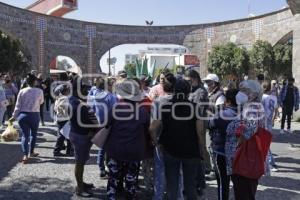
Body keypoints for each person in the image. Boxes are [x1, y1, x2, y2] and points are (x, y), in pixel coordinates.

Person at [150, 79, 205, 200]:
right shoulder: (196, 108)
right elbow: (200, 132)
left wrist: (157, 143)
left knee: (172, 185)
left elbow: (153, 128)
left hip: (170, 149)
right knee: (190, 186)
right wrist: (202, 149)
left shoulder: (165, 107)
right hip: (191, 151)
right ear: (188, 92)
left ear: (174, 90)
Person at [105, 79, 150, 200]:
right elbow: (147, 128)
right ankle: (130, 195)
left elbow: (106, 125)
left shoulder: (115, 109)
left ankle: (111, 196)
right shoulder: (142, 111)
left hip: (116, 149)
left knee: (113, 177)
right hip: (134, 150)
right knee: (131, 177)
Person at [225, 80, 265, 200]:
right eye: (240, 89)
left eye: (243, 90)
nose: (240, 93)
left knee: (244, 193)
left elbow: (249, 129)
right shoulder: (250, 106)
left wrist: (237, 144)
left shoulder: (253, 107)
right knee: (244, 193)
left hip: (244, 160)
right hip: (244, 160)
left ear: (253, 94)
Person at [69, 76, 99, 197]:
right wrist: (94, 128)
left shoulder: (73, 100)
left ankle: (81, 183)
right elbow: (86, 121)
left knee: (81, 161)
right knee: (80, 163)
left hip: (78, 134)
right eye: (83, 90)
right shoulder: (78, 104)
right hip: (81, 135)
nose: (86, 92)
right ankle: (79, 189)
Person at [150, 73, 177, 200]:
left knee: (160, 172)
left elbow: (153, 126)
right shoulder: (184, 101)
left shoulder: (158, 102)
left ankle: (158, 197)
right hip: (178, 142)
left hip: (161, 142)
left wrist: (155, 142)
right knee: (178, 173)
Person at [209, 89, 238, 200]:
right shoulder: (244, 114)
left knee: (222, 182)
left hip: (221, 152)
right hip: (238, 153)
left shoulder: (221, 115)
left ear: (228, 101)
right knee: (237, 182)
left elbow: (209, 124)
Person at [9, 74, 44, 164]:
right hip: (34, 115)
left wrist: (14, 116)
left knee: (25, 135)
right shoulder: (39, 91)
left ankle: (25, 155)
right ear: (34, 81)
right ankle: (31, 152)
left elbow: (18, 106)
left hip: (23, 116)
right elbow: (41, 102)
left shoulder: (22, 91)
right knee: (33, 134)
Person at [185, 69, 208, 197]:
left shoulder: (200, 92)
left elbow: (198, 111)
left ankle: (199, 184)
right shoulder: (192, 90)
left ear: (195, 78)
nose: (187, 83)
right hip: (192, 125)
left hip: (198, 125)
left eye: (189, 80)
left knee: (198, 155)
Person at [87, 77, 117, 178]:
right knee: (107, 147)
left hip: (98, 123)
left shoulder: (94, 96)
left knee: (102, 147)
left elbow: (91, 109)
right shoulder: (111, 97)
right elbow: (115, 111)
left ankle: (101, 168)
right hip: (109, 124)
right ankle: (106, 168)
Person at [203, 73, 225, 179]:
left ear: (215, 83)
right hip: (209, 124)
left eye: (209, 82)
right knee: (209, 147)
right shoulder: (210, 94)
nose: (207, 84)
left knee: (213, 148)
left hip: (215, 126)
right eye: (206, 82)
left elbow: (220, 113)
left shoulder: (220, 95)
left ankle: (215, 170)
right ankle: (211, 167)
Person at [262, 81, 278, 172]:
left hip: (263, 123)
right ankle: (268, 162)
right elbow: (276, 110)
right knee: (266, 142)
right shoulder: (274, 97)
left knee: (265, 143)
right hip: (269, 122)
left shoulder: (262, 97)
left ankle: (271, 163)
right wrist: (273, 119)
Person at [53, 84, 73, 157]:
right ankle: (58, 150)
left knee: (63, 135)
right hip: (65, 118)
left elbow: (55, 108)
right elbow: (66, 109)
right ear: (66, 91)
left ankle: (68, 150)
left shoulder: (58, 97)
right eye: (68, 90)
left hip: (59, 118)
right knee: (65, 135)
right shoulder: (65, 98)